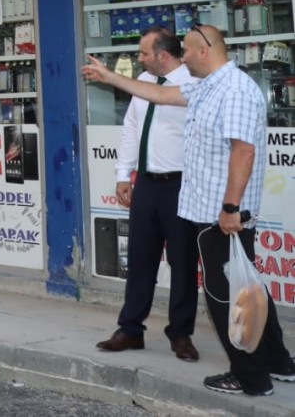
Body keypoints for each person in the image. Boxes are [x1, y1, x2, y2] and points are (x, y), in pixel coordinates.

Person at [83, 23, 295, 397]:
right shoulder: (207, 87)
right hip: (210, 211)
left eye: (187, 50)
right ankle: (279, 363)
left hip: (222, 216)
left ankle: (251, 378)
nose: (183, 57)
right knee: (247, 288)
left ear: (203, 50)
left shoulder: (235, 89)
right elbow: (160, 95)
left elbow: (243, 151)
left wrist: (230, 207)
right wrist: (109, 76)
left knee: (224, 297)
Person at [95, 26, 200, 362]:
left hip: (181, 185)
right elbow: (131, 128)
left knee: (182, 262)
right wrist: (123, 174)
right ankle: (130, 329)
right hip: (147, 185)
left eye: (143, 53)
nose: (139, 58)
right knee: (140, 259)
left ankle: (180, 334)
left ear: (163, 55)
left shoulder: (193, 82)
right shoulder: (142, 81)